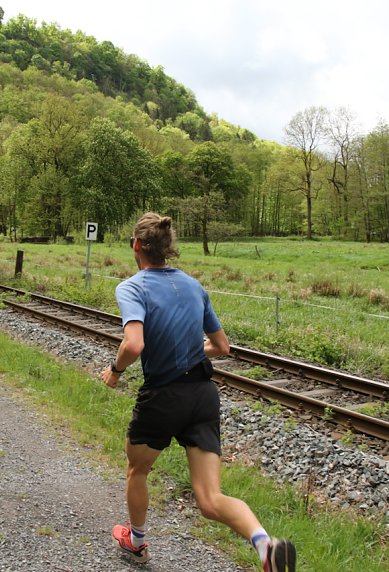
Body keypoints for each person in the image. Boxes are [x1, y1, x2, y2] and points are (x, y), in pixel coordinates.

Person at [101, 212, 296, 572]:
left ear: (136, 246)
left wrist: (114, 372)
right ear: (168, 247)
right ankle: (265, 544)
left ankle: (137, 544)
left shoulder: (132, 287)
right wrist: (189, 348)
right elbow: (222, 347)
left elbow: (133, 344)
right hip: (203, 395)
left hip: (163, 397)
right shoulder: (193, 285)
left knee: (137, 469)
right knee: (209, 498)